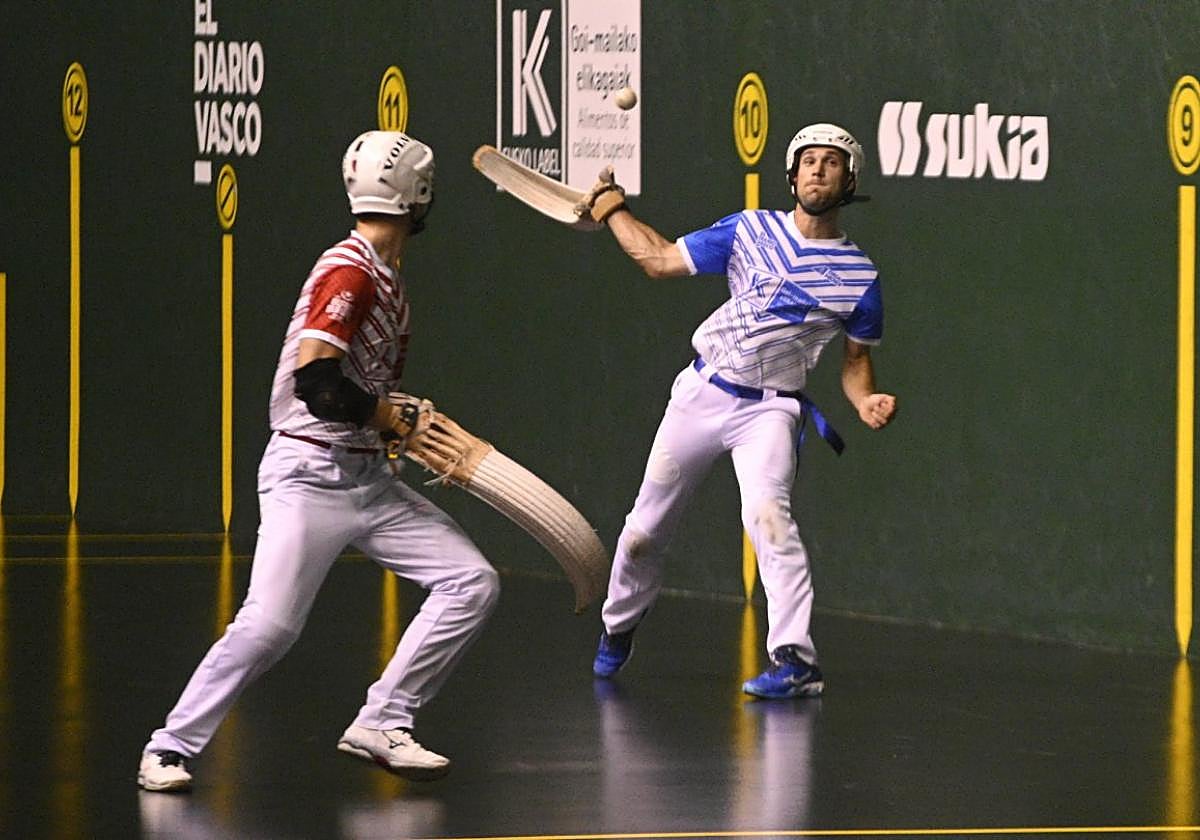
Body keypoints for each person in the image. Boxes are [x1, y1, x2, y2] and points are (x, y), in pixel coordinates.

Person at [138, 131, 500, 792]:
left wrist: (392, 428)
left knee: (471, 581)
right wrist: (388, 416)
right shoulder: (350, 271)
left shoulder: (384, 274)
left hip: (369, 479)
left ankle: (383, 720)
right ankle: (168, 747)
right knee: (270, 626)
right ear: (418, 195)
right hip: (308, 475)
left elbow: (354, 390)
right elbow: (317, 384)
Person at [579, 123, 897, 699]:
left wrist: (864, 399)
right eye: (808, 160)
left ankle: (795, 661)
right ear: (792, 175)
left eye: (831, 162)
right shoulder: (749, 230)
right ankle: (618, 624)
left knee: (770, 518)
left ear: (849, 181)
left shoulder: (860, 277)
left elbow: (855, 364)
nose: (818, 170)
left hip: (771, 412)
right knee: (644, 531)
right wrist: (614, 210)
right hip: (702, 394)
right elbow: (659, 260)